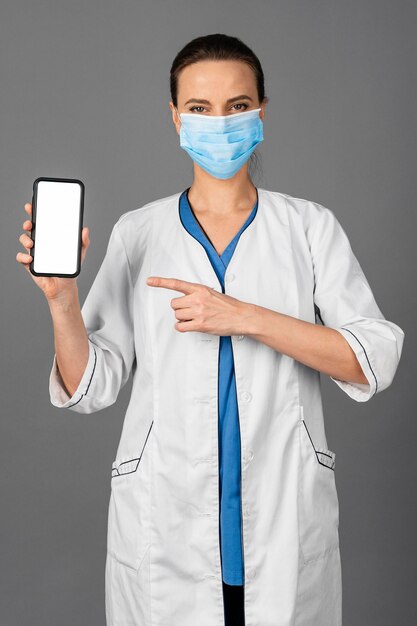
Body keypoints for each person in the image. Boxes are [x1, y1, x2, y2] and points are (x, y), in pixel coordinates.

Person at [17, 33, 405, 626]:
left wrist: (244, 316)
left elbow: (372, 358)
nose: (219, 123)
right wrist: (61, 300)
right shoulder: (138, 232)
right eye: (199, 108)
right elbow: (90, 386)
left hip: (282, 521)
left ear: (262, 112)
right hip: (165, 525)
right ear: (174, 117)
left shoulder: (309, 227)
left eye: (237, 106)